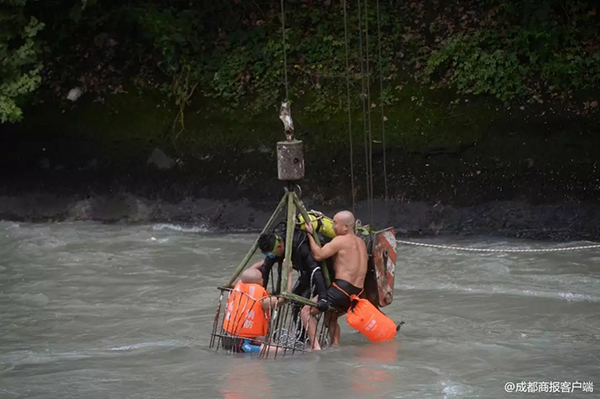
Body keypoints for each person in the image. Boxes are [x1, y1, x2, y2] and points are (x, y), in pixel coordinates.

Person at [300, 210, 368, 350]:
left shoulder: (340, 240)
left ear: (346, 227)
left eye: (335, 223)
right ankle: (335, 345)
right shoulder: (361, 243)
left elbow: (318, 255)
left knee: (306, 311)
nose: (333, 226)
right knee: (331, 316)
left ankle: (315, 347)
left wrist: (310, 234)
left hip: (342, 288)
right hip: (358, 293)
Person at [254, 230, 329, 311]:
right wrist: (261, 293)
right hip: (305, 273)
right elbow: (265, 269)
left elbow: (315, 269)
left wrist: (323, 298)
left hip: (321, 272)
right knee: (294, 301)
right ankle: (298, 321)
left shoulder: (299, 245)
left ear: (279, 246)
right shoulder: (273, 250)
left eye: (271, 254)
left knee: (305, 301)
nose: (271, 257)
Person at [222, 266, 289, 354]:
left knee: (264, 339)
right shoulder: (260, 300)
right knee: (279, 351)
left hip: (228, 339)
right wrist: (289, 273)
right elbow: (284, 299)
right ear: (260, 281)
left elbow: (248, 274)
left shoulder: (238, 289)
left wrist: (262, 263)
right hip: (243, 346)